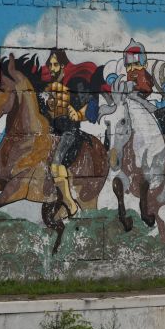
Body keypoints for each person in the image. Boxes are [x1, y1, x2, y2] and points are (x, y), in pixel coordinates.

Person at [39, 48, 104, 219]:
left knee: (56, 166)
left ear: (62, 65)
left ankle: (70, 204)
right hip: (53, 131)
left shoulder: (75, 83)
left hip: (70, 132)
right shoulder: (49, 88)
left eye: (54, 65)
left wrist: (78, 113)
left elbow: (90, 102)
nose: (52, 68)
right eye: (49, 65)